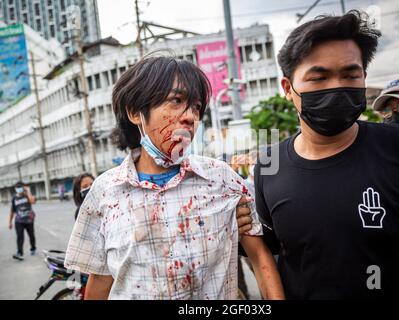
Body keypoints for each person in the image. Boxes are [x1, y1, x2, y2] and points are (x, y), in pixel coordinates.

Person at [239, 11, 399, 299]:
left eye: (350, 75)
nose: (336, 87)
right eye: (319, 77)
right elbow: (278, 245)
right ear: (288, 88)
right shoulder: (268, 167)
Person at [64, 54, 284, 300]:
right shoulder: (105, 191)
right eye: (176, 101)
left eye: (196, 107)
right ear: (136, 112)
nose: (190, 116)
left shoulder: (223, 181)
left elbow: (260, 260)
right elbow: (101, 280)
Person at [8, 181, 37, 261]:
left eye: (19, 187)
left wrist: (28, 191)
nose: (18, 189)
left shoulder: (27, 195)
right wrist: (10, 222)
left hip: (29, 220)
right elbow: (12, 211)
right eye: (17, 188)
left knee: (31, 235)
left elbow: (33, 201)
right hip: (19, 221)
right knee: (20, 237)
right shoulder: (14, 198)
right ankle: (19, 253)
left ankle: (33, 248)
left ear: (23, 188)